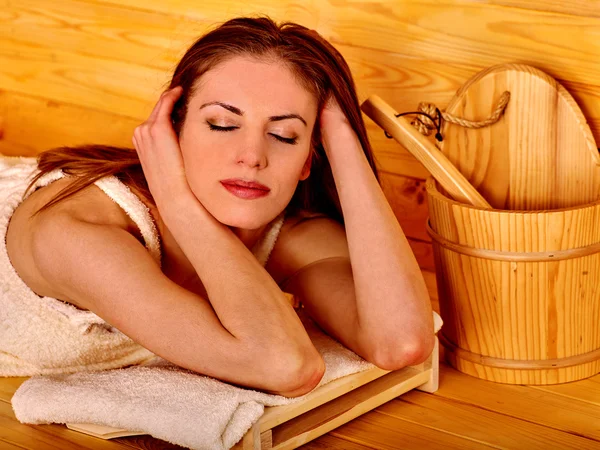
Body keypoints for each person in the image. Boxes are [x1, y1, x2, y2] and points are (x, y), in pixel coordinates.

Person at [0, 16, 434, 398]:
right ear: (172, 131)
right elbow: (287, 365)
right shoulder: (77, 233)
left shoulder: (287, 232)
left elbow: (401, 343)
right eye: (223, 124)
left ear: (309, 158)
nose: (252, 156)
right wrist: (177, 200)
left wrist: (342, 137)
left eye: (284, 135)